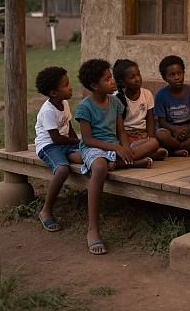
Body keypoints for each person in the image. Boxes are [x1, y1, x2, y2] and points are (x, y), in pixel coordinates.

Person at [75, 59, 156, 255]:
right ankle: (93, 229)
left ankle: (125, 161)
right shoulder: (84, 107)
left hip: (115, 147)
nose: (112, 82)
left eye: (111, 78)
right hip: (94, 147)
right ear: (94, 85)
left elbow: (121, 132)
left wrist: (125, 147)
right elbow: (87, 139)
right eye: (107, 79)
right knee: (100, 167)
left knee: (154, 143)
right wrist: (115, 148)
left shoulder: (115, 102)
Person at [34, 66, 81, 232]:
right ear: (54, 92)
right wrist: (75, 141)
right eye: (66, 85)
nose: (70, 87)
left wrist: (79, 143)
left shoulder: (64, 103)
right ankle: (46, 211)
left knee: (85, 157)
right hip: (49, 145)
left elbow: (68, 126)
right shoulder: (48, 110)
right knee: (62, 170)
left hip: (64, 143)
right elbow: (55, 138)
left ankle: (67, 156)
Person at [113, 58, 168, 160]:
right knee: (150, 146)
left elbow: (150, 121)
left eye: (138, 74)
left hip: (143, 136)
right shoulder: (116, 98)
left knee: (155, 141)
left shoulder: (147, 94)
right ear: (122, 82)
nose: (138, 79)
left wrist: (150, 138)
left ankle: (143, 153)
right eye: (132, 77)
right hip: (125, 137)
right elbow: (118, 128)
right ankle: (143, 154)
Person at [154, 55, 190, 157]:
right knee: (160, 134)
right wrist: (175, 130)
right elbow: (162, 121)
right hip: (171, 132)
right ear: (164, 78)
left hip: (188, 131)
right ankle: (183, 148)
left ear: (184, 73)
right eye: (172, 75)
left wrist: (187, 130)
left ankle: (175, 149)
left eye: (179, 73)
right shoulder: (161, 95)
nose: (177, 77)